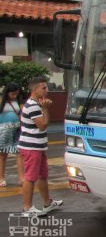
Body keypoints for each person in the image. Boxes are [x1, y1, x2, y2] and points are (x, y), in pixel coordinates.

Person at [18, 77, 63, 216]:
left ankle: (47, 203)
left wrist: (43, 107)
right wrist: (45, 109)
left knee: (42, 176)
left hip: (38, 146)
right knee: (30, 177)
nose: (47, 90)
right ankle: (27, 208)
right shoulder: (32, 105)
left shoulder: (36, 103)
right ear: (34, 89)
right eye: (43, 88)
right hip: (32, 147)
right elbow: (43, 125)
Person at [0, 82, 24, 187]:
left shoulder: (17, 102)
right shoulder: (1, 101)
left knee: (19, 152)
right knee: (3, 154)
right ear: (7, 93)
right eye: (12, 94)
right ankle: (1, 178)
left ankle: (21, 178)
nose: (15, 96)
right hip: (4, 130)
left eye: (16, 94)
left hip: (16, 129)